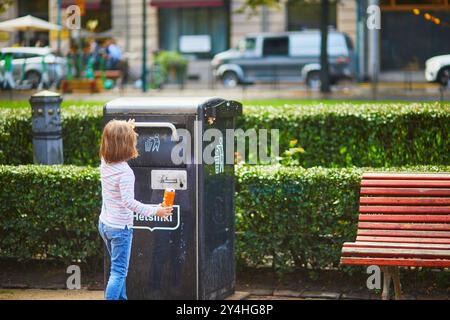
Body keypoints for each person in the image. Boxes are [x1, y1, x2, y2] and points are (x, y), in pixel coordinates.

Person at [98, 119, 173, 300]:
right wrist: (157, 211)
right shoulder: (125, 173)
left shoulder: (104, 161)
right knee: (118, 273)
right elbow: (129, 203)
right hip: (120, 229)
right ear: (126, 145)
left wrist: (126, 129)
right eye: (131, 139)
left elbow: (113, 139)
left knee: (118, 269)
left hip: (105, 225)